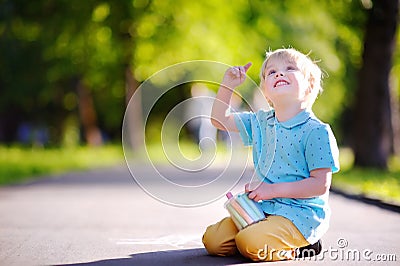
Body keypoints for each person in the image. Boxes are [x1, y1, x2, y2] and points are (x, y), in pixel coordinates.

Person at [202, 48, 340, 261]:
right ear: (266, 92)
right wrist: (227, 86)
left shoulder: (316, 131)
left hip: (299, 216)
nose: (279, 74)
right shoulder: (260, 122)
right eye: (272, 72)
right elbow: (219, 120)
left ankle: (302, 246)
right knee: (213, 240)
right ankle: (262, 240)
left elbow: (319, 184)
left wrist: (272, 190)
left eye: (289, 68)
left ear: (309, 85)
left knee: (249, 242)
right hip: (262, 208)